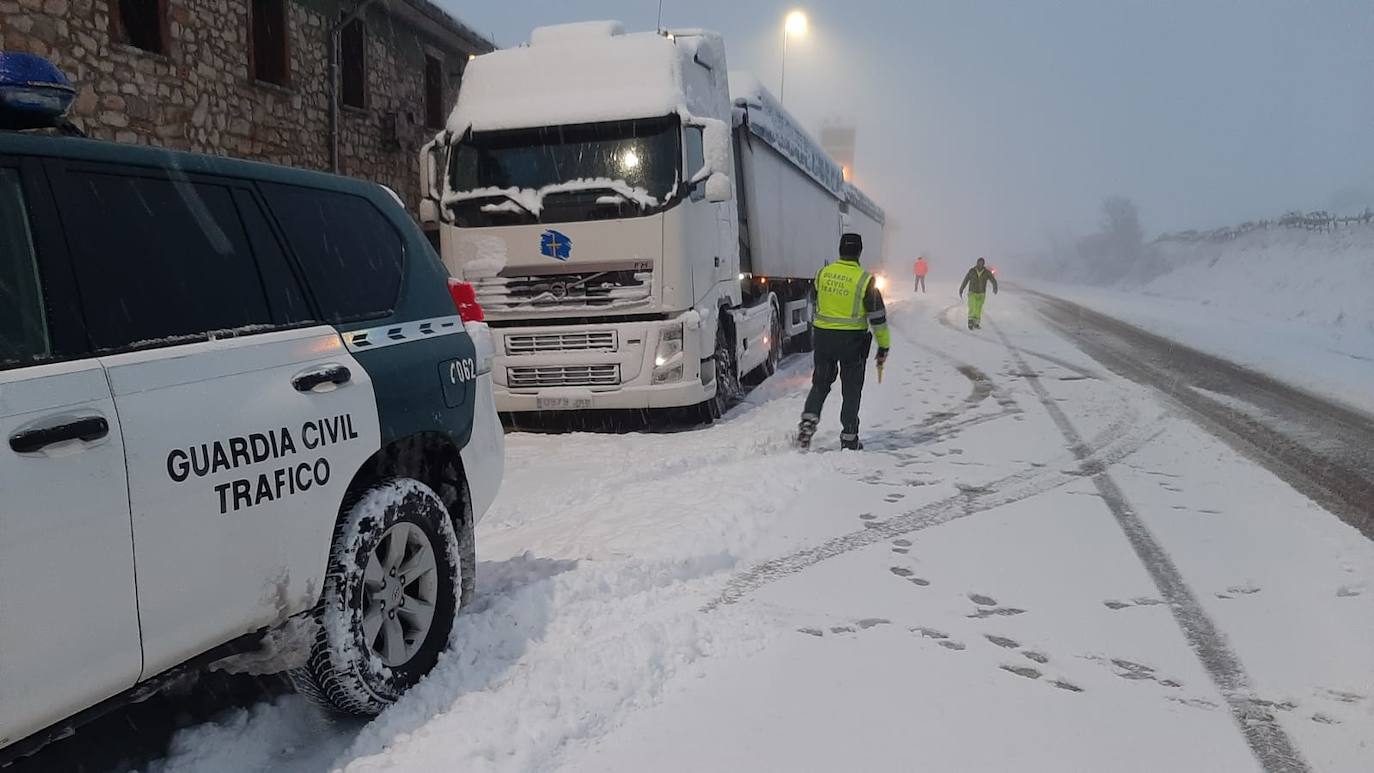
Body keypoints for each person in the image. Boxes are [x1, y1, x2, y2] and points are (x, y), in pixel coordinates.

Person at [797, 233, 891, 451]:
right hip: (852, 342)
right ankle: (849, 437)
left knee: (820, 384)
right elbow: (878, 318)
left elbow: (814, 300)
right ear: (859, 252)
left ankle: (807, 425)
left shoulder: (823, 274)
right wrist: (883, 346)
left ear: (840, 250)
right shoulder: (865, 280)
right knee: (851, 389)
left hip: (823, 339)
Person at [958, 257, 999, 330]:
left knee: (978, 308)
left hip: (981, 293)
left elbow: (993, 280)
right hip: (972, 292)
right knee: (972, 306)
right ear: (977, 263)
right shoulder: (972, 271)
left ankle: (976, 323)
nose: (980, 264)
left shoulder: (986, 272)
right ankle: (970, 321)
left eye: (982, 263)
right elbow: (966, 280)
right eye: (979, 262)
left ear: (983, 264)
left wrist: (995, 287)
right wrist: (961, 289)